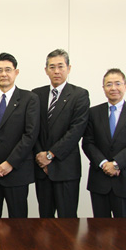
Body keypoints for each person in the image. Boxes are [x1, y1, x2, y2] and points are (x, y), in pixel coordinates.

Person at [82, 68, 126, 218]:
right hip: (100, 179)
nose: (113, 88)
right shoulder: (93, 113)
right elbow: (88, 143)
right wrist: (104, 163)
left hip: (125, 179)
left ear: (125, 86)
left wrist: (116, 164)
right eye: (109, 84)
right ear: (103, 88)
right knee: (98, 231)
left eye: (117, 83)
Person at [0, 53, 40, 218]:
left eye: (8, 70)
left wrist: (10, 163)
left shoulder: (30, 99)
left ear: (16, 72)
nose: (3, 74)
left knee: (19, 224)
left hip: (17, 172)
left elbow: (30, 135)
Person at [32, 49, 90, 218]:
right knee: (44, 220)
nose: (56, 71)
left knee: (68, 220)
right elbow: (32, 129)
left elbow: (76, 130)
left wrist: (50, 155)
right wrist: (40, 156)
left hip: (66, 168)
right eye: (52, 67)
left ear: (69, 68)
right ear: (46, 70)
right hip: (41, 168)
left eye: (60, 66)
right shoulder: (36, 94)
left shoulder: (79, 95)